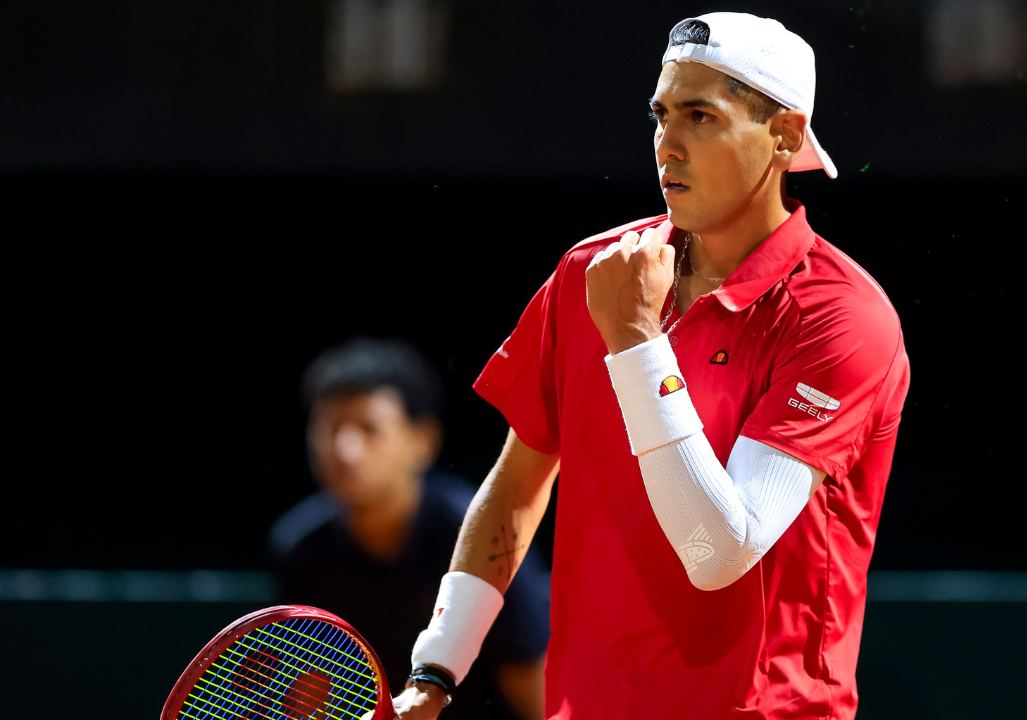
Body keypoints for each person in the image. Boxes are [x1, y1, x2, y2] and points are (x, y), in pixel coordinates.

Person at [396, 12, 910, 719]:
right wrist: (436, 671)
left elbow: (719, 551)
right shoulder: (591, 273)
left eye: (702, 116)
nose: (668, 143)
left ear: (785, 136)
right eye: (660, 113)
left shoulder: (842, 318)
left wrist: (636, 340)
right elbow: (517, 487)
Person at [270, 338, 549, 720]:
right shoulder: (300, 549)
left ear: (423, 440)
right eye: (330, 429)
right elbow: (312, 692)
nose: (345, 449)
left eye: (369, 429)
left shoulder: (480, 533)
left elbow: (534, 689)